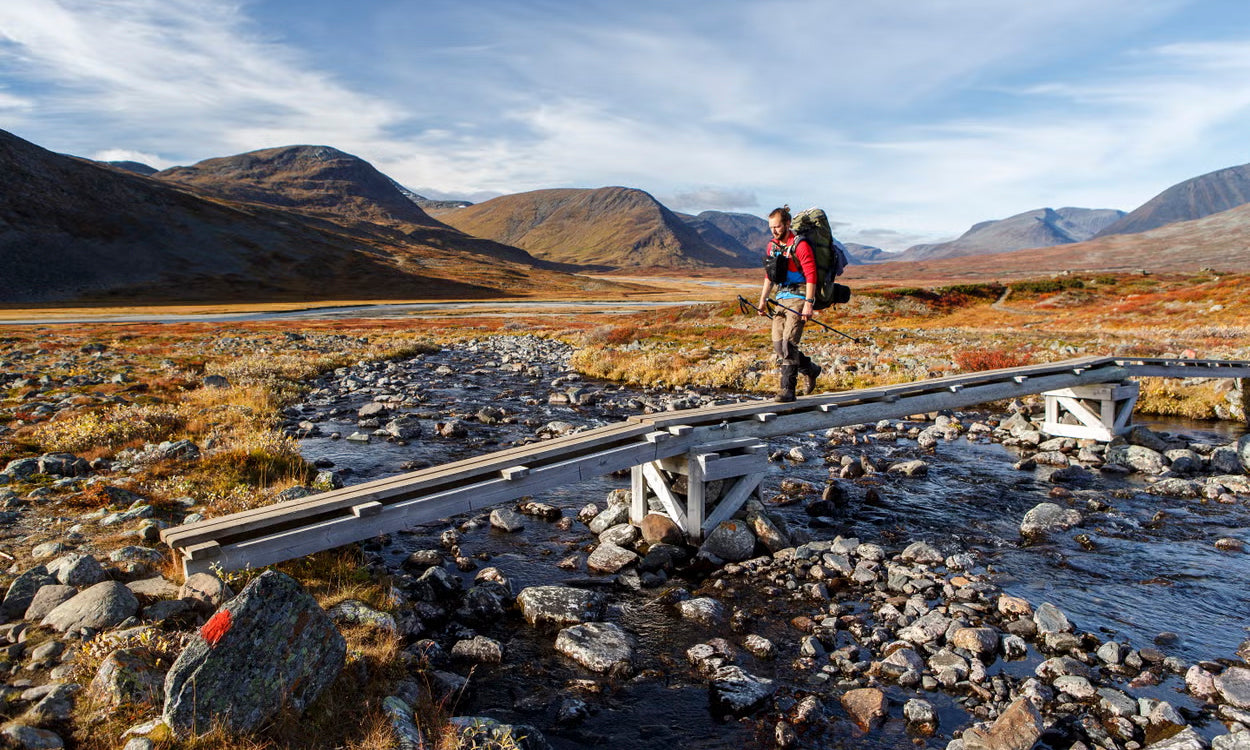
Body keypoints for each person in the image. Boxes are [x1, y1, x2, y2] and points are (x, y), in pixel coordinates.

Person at [757, 205, 822, 402]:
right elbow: (770, 275)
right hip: (781, 298)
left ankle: (787, 390)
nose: (774, 231)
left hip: (800, 296)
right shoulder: (772, 246)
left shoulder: (800, 245)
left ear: (787, 224)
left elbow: (811, 275)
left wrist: (809, 303)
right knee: (778, 345)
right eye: (771, 228)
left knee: (788, 343)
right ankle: (811, 369)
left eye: (777, 227)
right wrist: (762, 300)